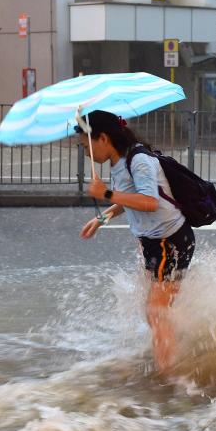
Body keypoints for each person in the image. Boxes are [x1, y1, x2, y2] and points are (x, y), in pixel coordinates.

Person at [76, 110, 195, 377]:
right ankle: (176, 351)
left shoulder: (138, 160)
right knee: (155, 310)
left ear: (103, 138)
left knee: (156, 311)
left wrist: (105, 193)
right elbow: (129, 198)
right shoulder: (119, 162)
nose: (86, 152)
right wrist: (103, 218)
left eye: (87, 145)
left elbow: (149, 202)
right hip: (155, 242)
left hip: (170, 240)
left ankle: (169, 376)